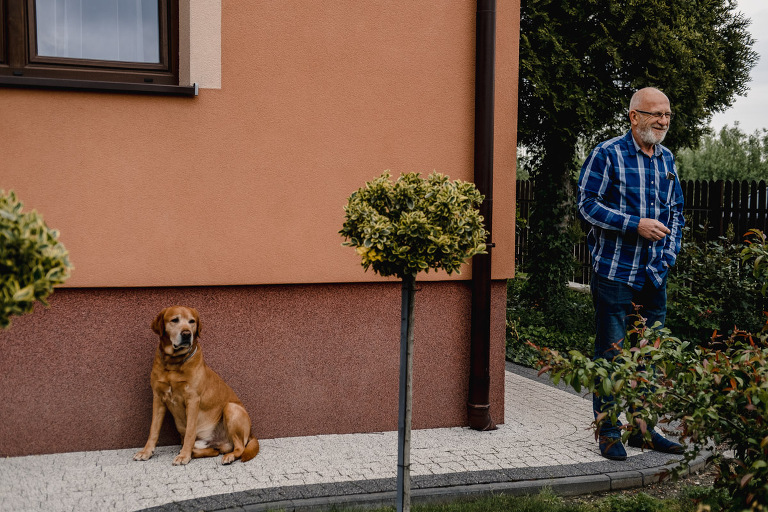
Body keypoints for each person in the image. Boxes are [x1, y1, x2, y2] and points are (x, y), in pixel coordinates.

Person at [577, 87, 686, 461]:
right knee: (611, 354)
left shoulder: (667, 159)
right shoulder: (607, 154)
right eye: (656, 114)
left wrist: (667, 259)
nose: (663, 121)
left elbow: (677, 215)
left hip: (654, 276)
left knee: (648, 357)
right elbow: (587, 206)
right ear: (633, 116)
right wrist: (633, 224)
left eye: (668, 115)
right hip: (614, 273)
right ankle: (608, 432)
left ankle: (643, 430)